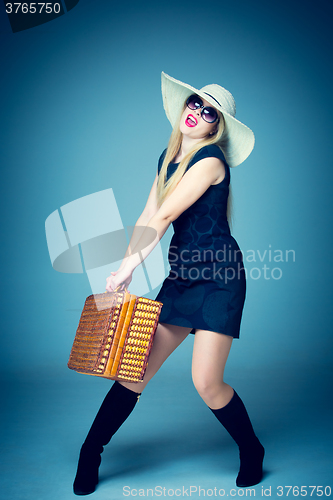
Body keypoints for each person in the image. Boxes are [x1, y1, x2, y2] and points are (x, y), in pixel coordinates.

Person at [73, 72, 265, 495]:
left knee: (206, 383)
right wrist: (123, 266)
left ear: (218, 126)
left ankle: (252, 449)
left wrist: (125, 273)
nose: (196, 112)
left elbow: (162, 220)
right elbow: (147, 215)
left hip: (219, 277)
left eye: (208, 111)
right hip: (183, 277)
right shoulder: (167, 158)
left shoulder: (212, 161)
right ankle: (91, 452)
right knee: (134, 369)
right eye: (194, 103)